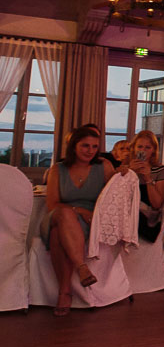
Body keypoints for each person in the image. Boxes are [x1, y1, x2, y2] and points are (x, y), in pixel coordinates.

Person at [43, 125, 116, 316]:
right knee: (64, 215)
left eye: (94, 147)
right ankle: (81, 267)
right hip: (58, 215)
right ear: (74, 146)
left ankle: (64, 293)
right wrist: (79, 210)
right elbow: (52, 205)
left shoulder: (104, 166)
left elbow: (113, 198)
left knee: (57, 234)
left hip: (89, 222)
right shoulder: (58, 169)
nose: (90, 151)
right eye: (85, 146)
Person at [122, 130, 164, 243]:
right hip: (126, 211)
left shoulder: (160, 170)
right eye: (140, 147)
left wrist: (148, 178)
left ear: (153, 150)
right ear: (133, 148)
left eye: (147, 147)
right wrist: (129, 173)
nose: (143, 150)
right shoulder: (126, 168)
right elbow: (117, 194)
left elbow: (157, 204)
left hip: (147, 217)